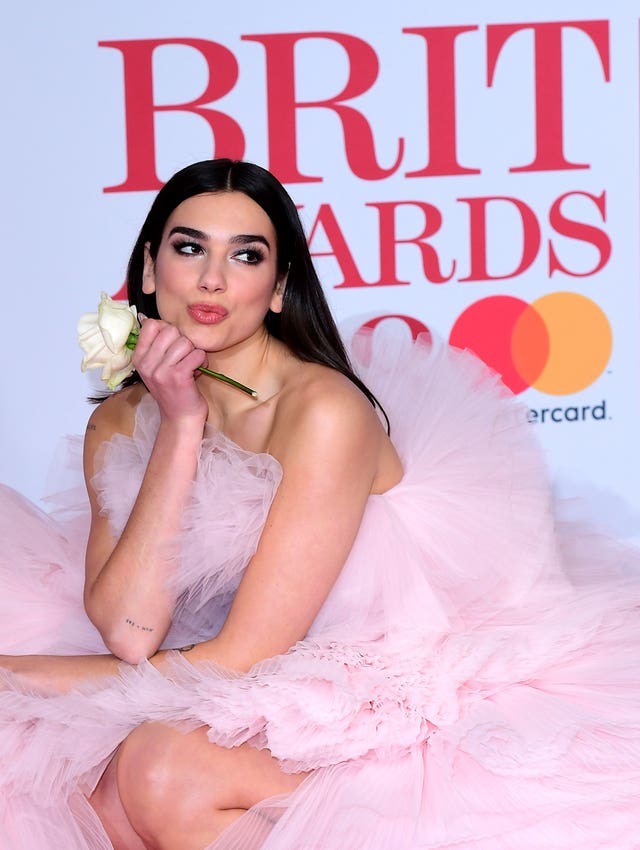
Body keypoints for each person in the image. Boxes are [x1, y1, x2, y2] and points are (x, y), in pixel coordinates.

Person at [0, 158, 639, 850]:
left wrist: (28, 676)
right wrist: (179, 427)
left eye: (246, 255)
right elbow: (128, 632)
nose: (213, 278)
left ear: (277, 289)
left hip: (393, 690)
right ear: (150, 272)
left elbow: (242, 657)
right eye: (190, 248)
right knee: (88, 794)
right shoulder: (121, 423)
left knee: (161, 773)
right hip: (243, 692)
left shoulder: (324, 412)